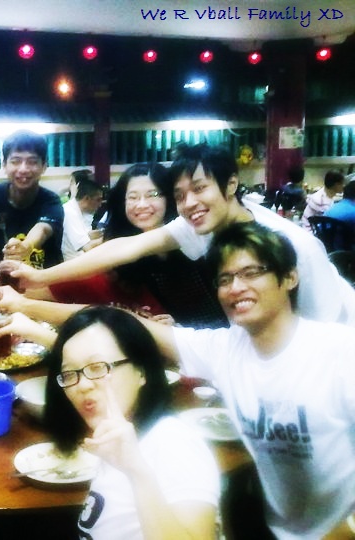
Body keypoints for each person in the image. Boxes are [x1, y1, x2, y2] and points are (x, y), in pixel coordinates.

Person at [134, 221, 355, 539]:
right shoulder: (226, 349)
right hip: (271, 528)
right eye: (225, 279)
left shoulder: (341, 351)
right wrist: (50, 312)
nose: (235, 287)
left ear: (290, 277)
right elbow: (135, 327)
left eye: (251, 273)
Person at [6, 143, 355, 326]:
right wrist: (39, 276)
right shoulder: (197, 226)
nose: (189, 204)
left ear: (231, 184)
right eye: (180, 195)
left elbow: (326, 334)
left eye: (200, 188)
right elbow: (124, 248)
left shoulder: (294, 245)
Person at [42, 306, 220, 539]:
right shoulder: (119, 436)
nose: (82, 385)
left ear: (141, 371)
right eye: (69, 373)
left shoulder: (174, 442)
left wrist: (137, 473)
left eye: (98, 367)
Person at [102, 162, 228, 328]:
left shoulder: (194, 234)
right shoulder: (131, 255)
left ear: (169, 198)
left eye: (153, 194)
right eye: (132, 197)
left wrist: (182, 328)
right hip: (182, 338)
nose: (142, 205)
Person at [0, 130, 64, 268]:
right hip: (6, 276)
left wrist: (27, 245)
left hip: (45, 276)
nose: (23, 169)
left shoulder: (51, 201)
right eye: (15, 161)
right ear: (4, 165)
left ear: (44, 166)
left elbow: (43, 229)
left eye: (32, 162)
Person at [61, 178, 104, 260]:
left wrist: (103, 233)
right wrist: (110, 238)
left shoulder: (81, 211)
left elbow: (87, 236)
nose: (100, 205)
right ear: (86, 198)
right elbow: (87, 247)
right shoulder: (70, 213)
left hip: (81, 258)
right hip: (74, 262)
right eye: (98, 200)